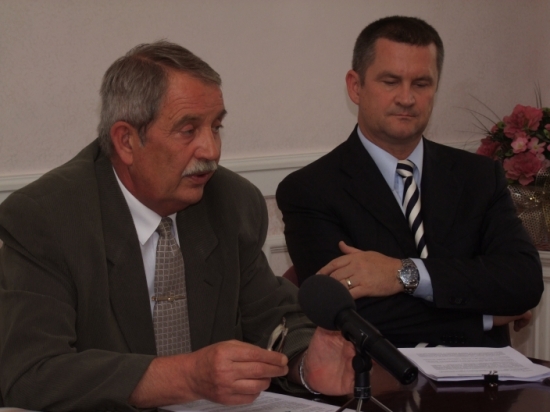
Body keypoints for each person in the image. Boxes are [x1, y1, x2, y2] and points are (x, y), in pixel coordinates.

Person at [0, 41, 355, 411]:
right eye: (188, 130)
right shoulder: (46, 218)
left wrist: (304, 365)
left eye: (216, 127)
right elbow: (31, 373)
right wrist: (184, 377)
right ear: (126, 141)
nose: (211, 150)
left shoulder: (231, 202)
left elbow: (273, 316)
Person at [276, 16, 543, 348]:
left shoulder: (479, 175)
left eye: (421, 84)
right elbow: (353, 316)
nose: (406, 98)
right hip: (381, 374)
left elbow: (523, 281)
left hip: (487, 376)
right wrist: (484, 316)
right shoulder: (309, 190)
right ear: (355, 86)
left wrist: (403, 274)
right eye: (390, 81)